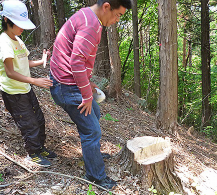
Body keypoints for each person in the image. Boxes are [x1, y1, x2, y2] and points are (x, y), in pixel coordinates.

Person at [49, 0, 131, 189]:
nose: (117, 20)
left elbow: (78, 58)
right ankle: (96, 177)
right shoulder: (91, 24)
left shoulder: (87, 15)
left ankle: (92, 154)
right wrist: (86, 95)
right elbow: (76, 62)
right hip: (65, 86)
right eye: (118, 15)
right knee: (92, 131)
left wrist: (87, 81)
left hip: (67, 80)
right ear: (106, 6)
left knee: (95, 113)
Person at [0, 0, 56, 167]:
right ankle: (33, 153)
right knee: (29, 123)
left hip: (25, 88)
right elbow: (10, 72)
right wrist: (34, 81)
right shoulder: (4, 42)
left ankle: (40, 148)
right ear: (6, 20)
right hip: (13, 92)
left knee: (39, 119)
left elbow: (25, 62)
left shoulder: (18, 40)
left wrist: (42, 60)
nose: (21, 28)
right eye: (18, 24)